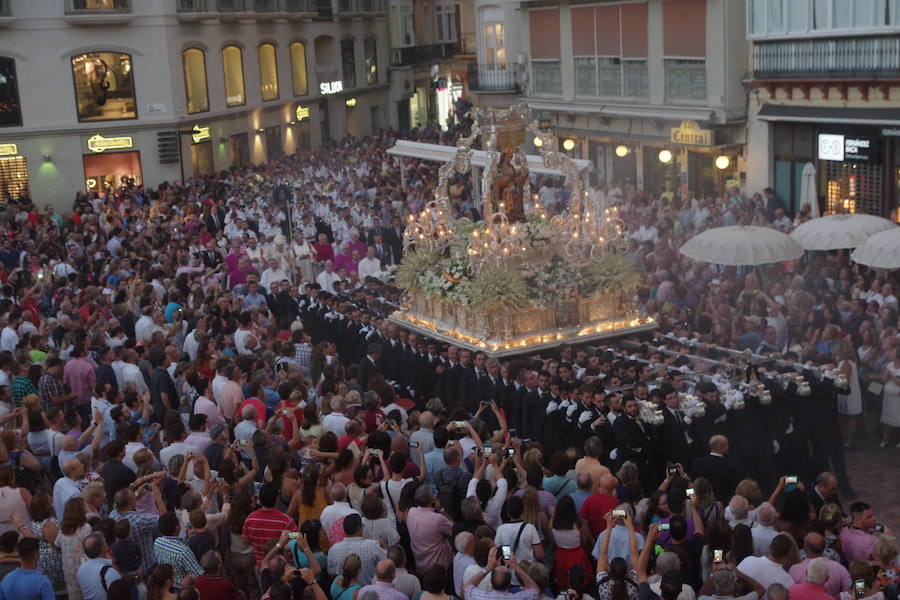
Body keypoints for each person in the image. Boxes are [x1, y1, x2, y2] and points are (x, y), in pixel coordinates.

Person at [463, 546, 541, 599]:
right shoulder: (519, 597)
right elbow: (535, 590)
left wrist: (488, 567)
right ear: (509, 583)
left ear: (491, 581)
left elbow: (467, 587)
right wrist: (515, 566)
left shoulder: (479, 597)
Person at [788, 533, 850, 598]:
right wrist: (839, 597)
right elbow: (852, 589)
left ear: (805, 548)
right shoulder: (838, 568)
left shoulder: (794, 570)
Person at [76, 533, 121, 600]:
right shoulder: (109, 572)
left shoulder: (81, 568)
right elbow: (120, 593)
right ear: (103, 548)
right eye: (104, 542)